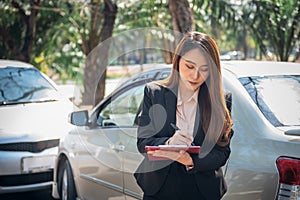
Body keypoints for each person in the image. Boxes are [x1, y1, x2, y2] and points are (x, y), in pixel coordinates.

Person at [134, 31, 234, 200]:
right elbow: (143, 143)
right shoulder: (155, 93)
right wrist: (169, 143)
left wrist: (190, 161)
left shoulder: (221, 100)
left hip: (202, 191)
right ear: (178, 61)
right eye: (189, 66)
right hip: (159, 189)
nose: (195, 76)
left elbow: (222, 152)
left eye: (204, 69)